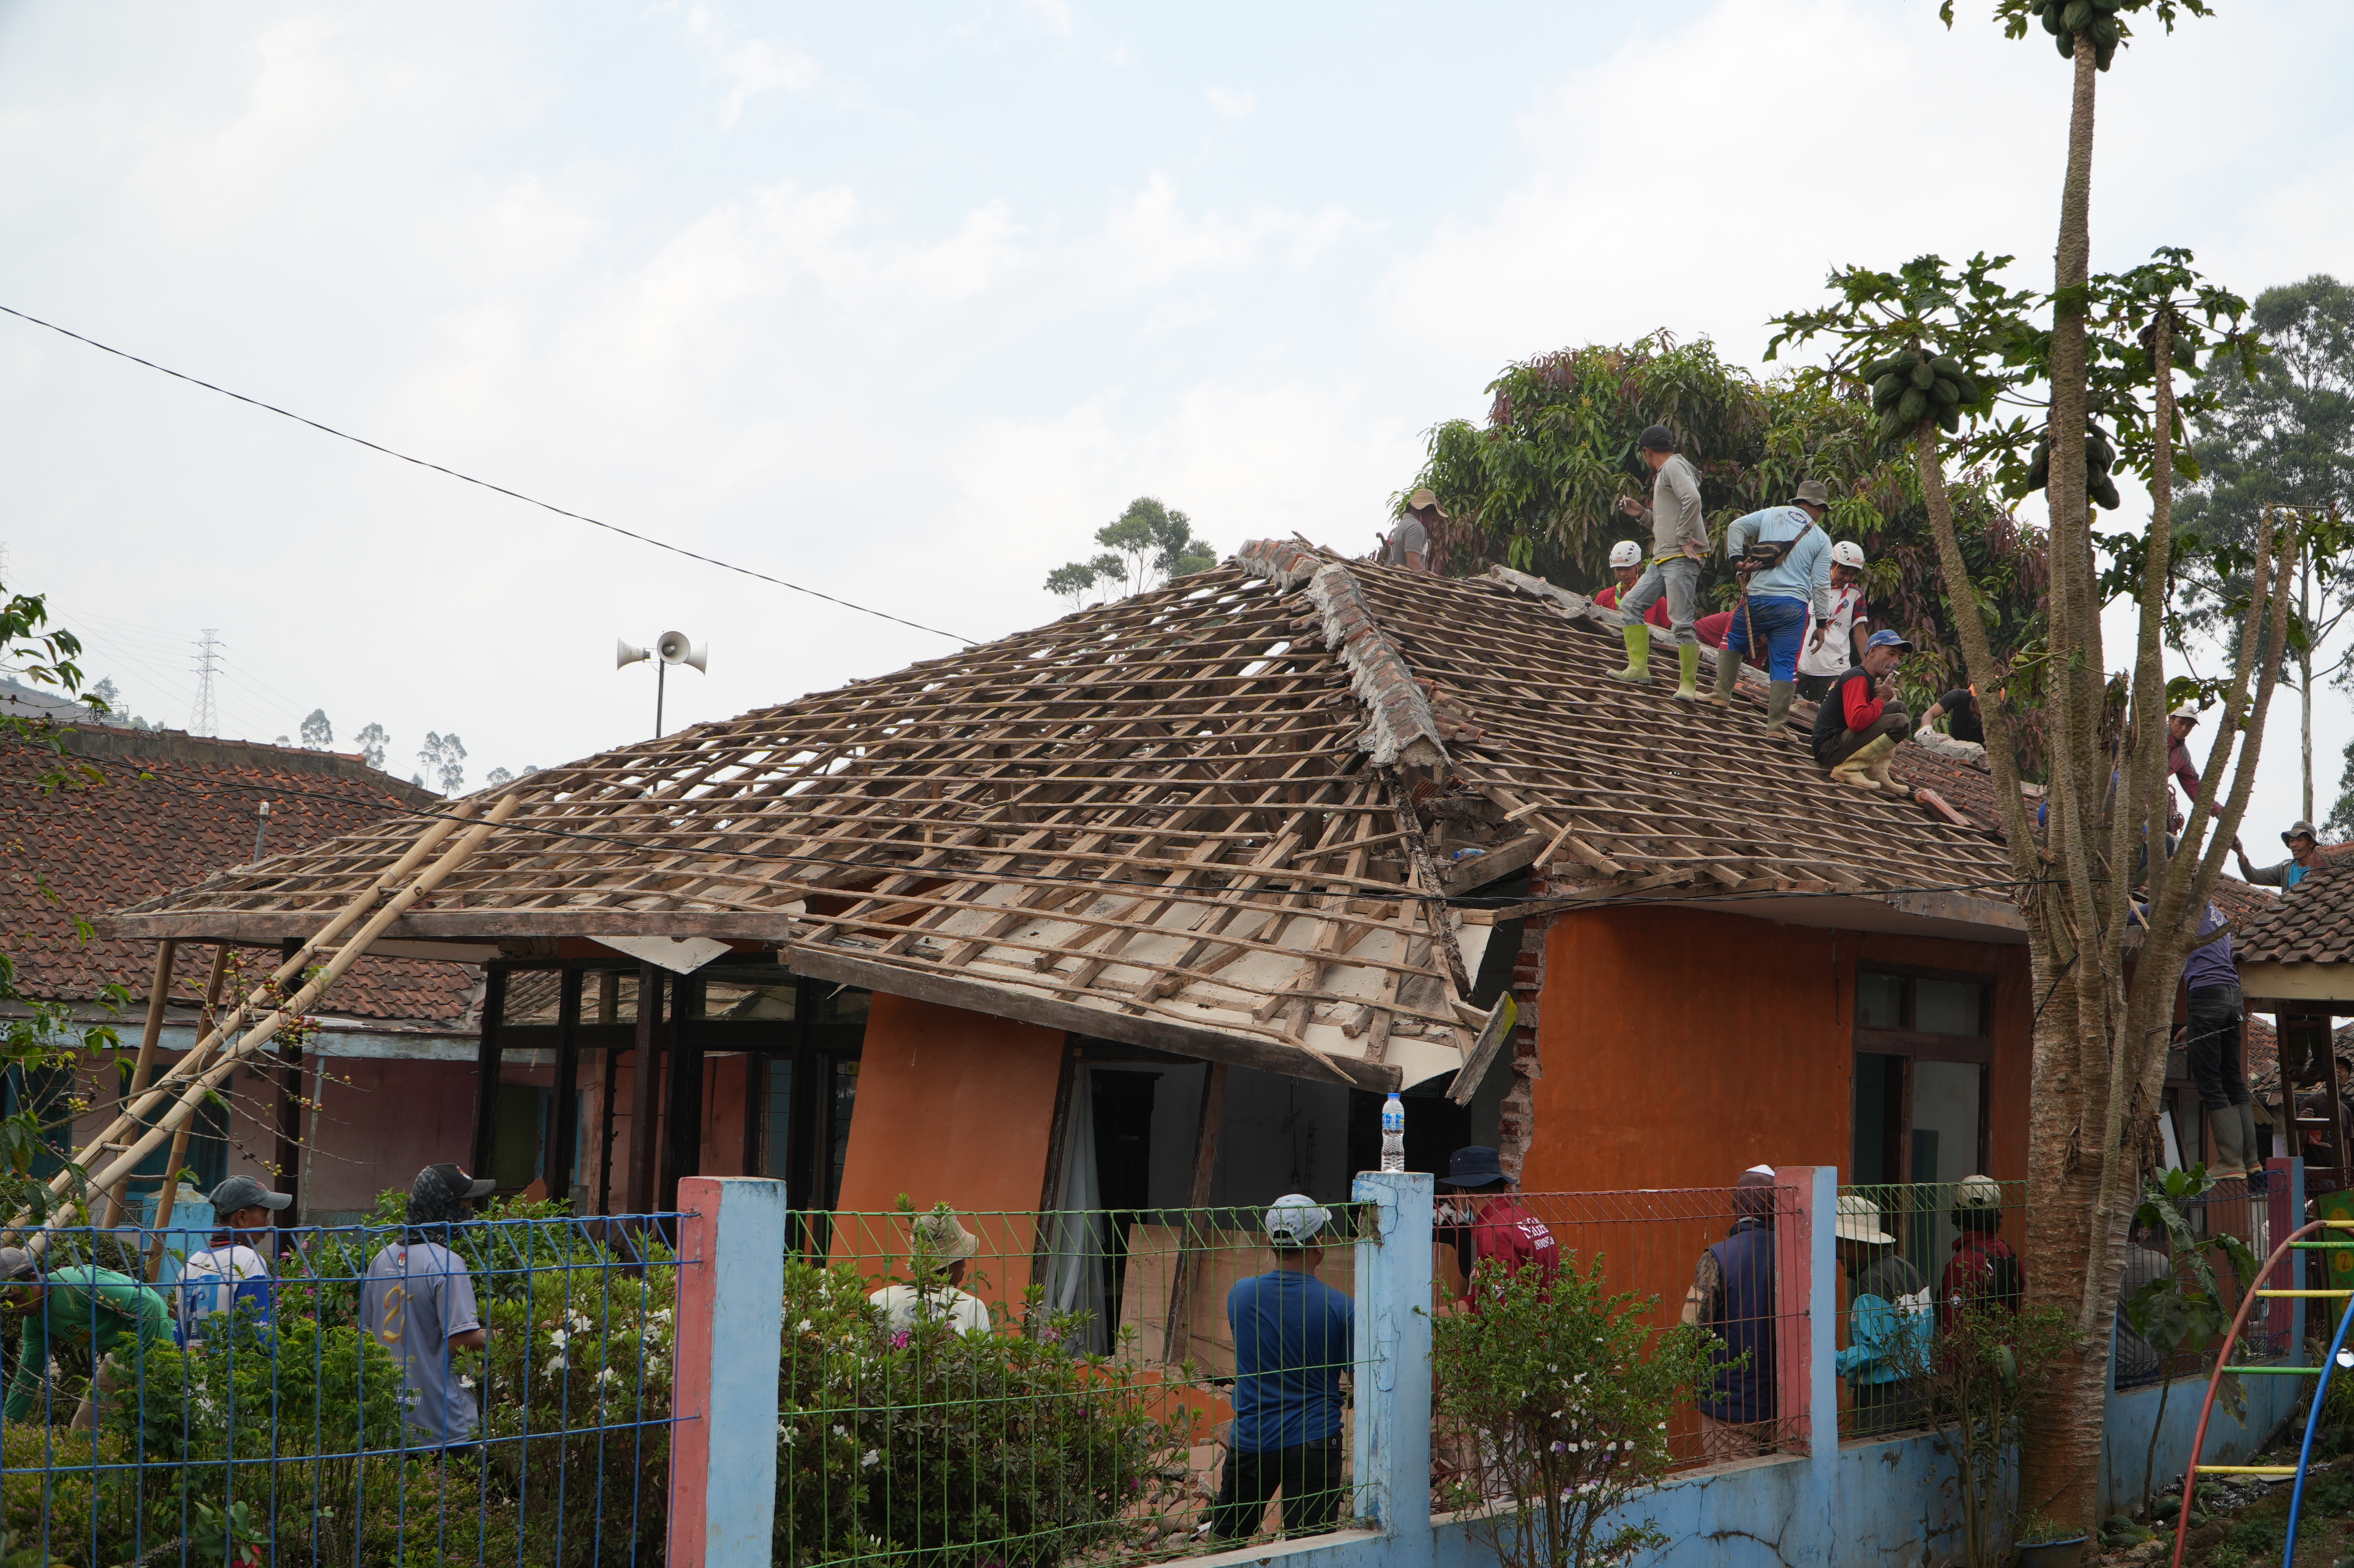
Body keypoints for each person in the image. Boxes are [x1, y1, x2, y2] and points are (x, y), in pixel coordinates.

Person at [1211, 1195, 1356, 1543]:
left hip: (1253, 1436)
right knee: (1310, 1544)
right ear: (1319, 1245)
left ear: (1270, 1243)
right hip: (1316, 1440)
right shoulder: (1341, 1308)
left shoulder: (1241, 1296)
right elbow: (1359, 1379)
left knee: (1227, 1539)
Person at [361, 1163, 495, 1450]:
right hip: (446, 1425)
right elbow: (460, 1341)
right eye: (466, 1203)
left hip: (391, 1423)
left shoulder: (381, 1259)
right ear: (446, 1207)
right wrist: (521, 1334)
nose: (470, 1211)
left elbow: (366, 1333)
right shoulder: (446, 1263)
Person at [0, 1243, 172, 1430]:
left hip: (157, 1340)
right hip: (122, 1353)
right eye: (10, 1302)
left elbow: (148, 1307)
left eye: (17, 1297)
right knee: (84, 1430)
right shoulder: (35, 1322)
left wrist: (138, 1368)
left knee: (154, 1428)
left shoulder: (78, 1283)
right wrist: (7, 1427)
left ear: (34, 1279)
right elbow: (28, 1375)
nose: (16, 1307)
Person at [1711, 481, 1835, 732]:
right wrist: (1821, 624)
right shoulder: (1822, 539)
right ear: (1819, 507)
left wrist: (1737, 561)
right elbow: (1822, 585)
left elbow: (1736, 526)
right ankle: (1776, 725)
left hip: (1757, 598)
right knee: (1786, 664)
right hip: (1793, 607)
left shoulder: (1772, 513)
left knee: (1734, 640)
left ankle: (1721, 695)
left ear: (1799, 500)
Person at [1681, 1167, 1777, 1461]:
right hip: (1788, 1407)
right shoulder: (1799, 1254)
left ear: (1735, 1207)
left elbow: (1690, 1330)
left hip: (1730, 1409)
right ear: (1776, 1208)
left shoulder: (1718, 1257)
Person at [1609, 425, 1709, 699]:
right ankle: (1639, 668)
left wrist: (1685, 537)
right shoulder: (1669, 471)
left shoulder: (1673, 467)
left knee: (1681, 621)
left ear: (1647, 452)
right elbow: (1667, 523)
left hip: (1680, 557)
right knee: (1631, 604)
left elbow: (1694, 498)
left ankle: (1688, 685)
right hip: (1664, 557)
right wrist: (1642, 513)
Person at [1833, 1195, 1932, 1436]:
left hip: (1885, 1395)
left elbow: (1877, 1349)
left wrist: (1831, 1362)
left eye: (1839, 1243)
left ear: (1859, 1243)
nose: (1837, 1253)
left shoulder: (1873, 1279)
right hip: (1920, 1386)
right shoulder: (1906, 1268)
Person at [2174, 899, 2255, 1179]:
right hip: (2233, 997)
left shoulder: (2183, 902)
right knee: (2233, 1077)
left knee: (2208, 1079)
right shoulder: (2217, 915)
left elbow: (2133, 917)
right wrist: (2193, 1026)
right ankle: (2251, 1160)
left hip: (2207, 995)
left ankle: (2230, 1161)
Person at [1438, 1145, 1560, 1309]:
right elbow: (1481, 1301)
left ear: (1462, 1192)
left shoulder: (1493, 1232)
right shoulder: (1522, 1217)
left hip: (1523, 1331)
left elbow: (1502, 1309)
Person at [177, 1173, 292, 1341]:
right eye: (265, 1214)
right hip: (234, 1365)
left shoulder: (192, 1263)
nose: (267, 1222)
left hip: (193, 1365)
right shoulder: (249, 1260)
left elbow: (179, 1336)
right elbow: (254, 1334)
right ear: (242, 1217)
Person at [1810, 629, 1916, 795]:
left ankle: (1877, 771)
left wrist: (1881, 698)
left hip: (1842, 742)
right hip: (1830, 749)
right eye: (1891, 654)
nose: (1895, 662)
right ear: (1873, 651)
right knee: (1899, 722)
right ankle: (1848, 769)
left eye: (1899, 658)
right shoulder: (1856, 677)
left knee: (1899, 708)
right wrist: (1880, 700)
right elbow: (1857, 722)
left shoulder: (1870, 679)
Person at [870, 1210, 992, 1335]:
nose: (964, 1265)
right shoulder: (972, 1307)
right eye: (962, 1258)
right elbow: (983, 1353)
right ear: (948, 1265)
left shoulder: (881, 1300)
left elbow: (864, 1352)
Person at [1936, 1176, 2022, 1334]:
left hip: (1979, 1356)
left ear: (1958, 1212)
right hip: (2010, 1351)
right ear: (1996, 1214)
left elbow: (1957, 1330)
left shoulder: (1963, 1263)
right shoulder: (2008, 1252)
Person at [1796, 541, 1871, 701]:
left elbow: (1860, 633)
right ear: (1832, 564)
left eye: (1852, 575)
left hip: (1836, 667)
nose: (1847, 578)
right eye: (1843, 572)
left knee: (1830, 712)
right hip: (1804, 662)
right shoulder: (1809, 584)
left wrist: (1870, 666)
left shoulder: (1855, 594)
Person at [1593, 540, 1672, 631]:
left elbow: (1670, 629)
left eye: (1627, 569)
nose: (1622, 574)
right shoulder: (1604, 597)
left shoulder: (1656, 599)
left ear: (1639, 565)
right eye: (1618, 569)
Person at [2237, 820, 2327, 892]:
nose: (2294, 845)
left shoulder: (2323, 868)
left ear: (2311, 843)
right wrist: (2240, 853)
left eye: (2300, 840)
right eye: (2292, 841)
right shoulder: (2285, 869)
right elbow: (2254, 876)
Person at [1381, 489, 1442, 571]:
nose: (1431, 521)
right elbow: (1413, 563)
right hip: (1401, 582)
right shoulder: (1416, 527)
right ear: (1426, 510)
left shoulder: (1404, 524)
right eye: (1431, 515)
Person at [1920, 686, 1984, 746]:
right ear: (1973, 697)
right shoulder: (1958, 696)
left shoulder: (1993, 713)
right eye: (1982, 701)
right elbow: (1930, 713)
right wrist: (1927, 726)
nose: (1984, 706)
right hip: (1955, 745)